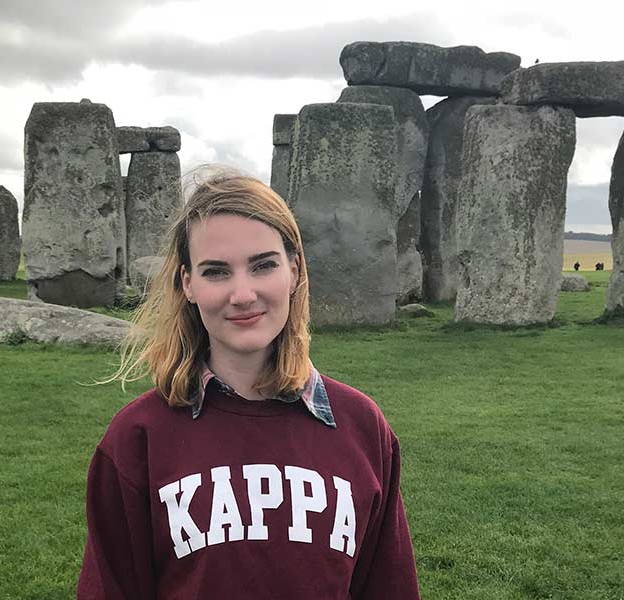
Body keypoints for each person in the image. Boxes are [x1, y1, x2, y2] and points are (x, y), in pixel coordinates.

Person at [77, 170, 420, 600]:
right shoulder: (137, 438)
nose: (242, 294)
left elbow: (390, 587)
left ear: (294, 271)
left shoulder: (362, 427)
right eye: (217, 272)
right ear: (188, 284)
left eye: (263, 265)